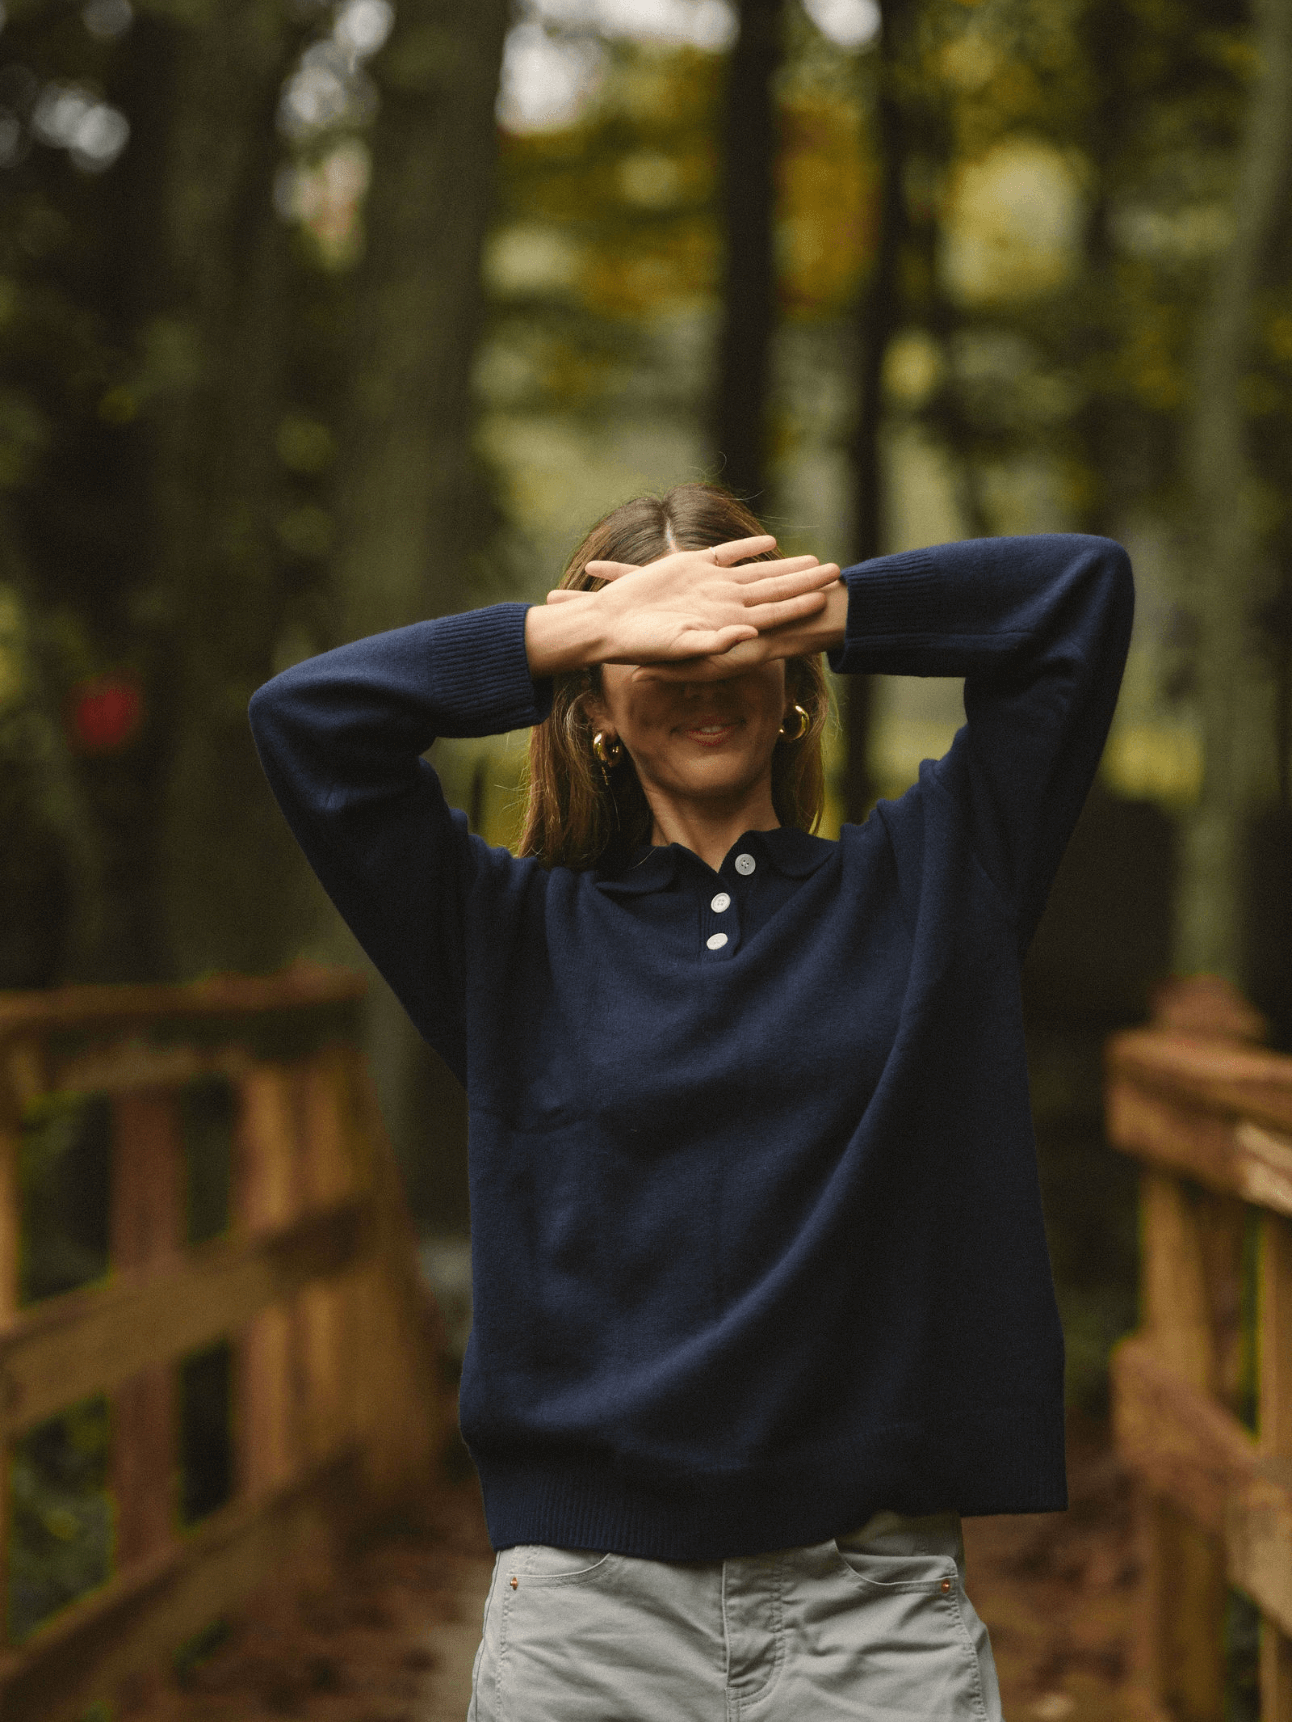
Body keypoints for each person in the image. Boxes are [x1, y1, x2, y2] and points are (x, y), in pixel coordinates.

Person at [249, 483, 1133, 1721]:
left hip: (871, 1609)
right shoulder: (507, 940)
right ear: (596, 706)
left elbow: (1074, 597)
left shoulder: (932, 886)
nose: (704, 668)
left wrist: (813, 605)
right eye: (661, 647)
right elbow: (307, 721)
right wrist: (560, 633)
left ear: (793, 684)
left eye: (735, 643)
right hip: (585, 1620)